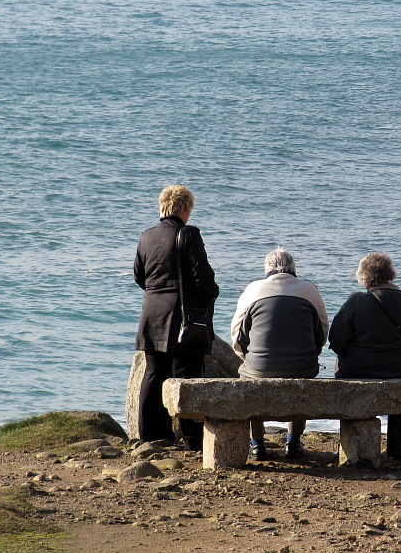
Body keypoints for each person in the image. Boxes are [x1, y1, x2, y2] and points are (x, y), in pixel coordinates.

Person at [134, 185, 219, 451]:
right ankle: (192, 438)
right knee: (186, 376)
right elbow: (202, 277)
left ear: (163, 206)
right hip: (183, 317)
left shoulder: (147, 236)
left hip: (151, 314)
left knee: (153, 374)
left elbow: (140, 276)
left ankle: (151, 436)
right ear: (184, 208)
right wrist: (212, 292)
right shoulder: (188, 234)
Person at [329, 252, 401, 459]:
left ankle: (351, 445)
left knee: (344, 377)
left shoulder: (356, 301)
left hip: (358, 370)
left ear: (364, 277)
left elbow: (337, 340)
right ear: (390, 274)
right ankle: (397, 447)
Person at [230, 248, 328, 461]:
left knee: (247, 377)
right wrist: (311, 353)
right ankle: (293, 442)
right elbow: (322, 332)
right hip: (304, 366)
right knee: (301, 378)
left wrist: (246, 357)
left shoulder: (253, 289)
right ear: (293, 268)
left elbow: (237, 335)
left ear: (267, 269)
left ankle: (257, 444)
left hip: (259, 368)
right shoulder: (310, 290)